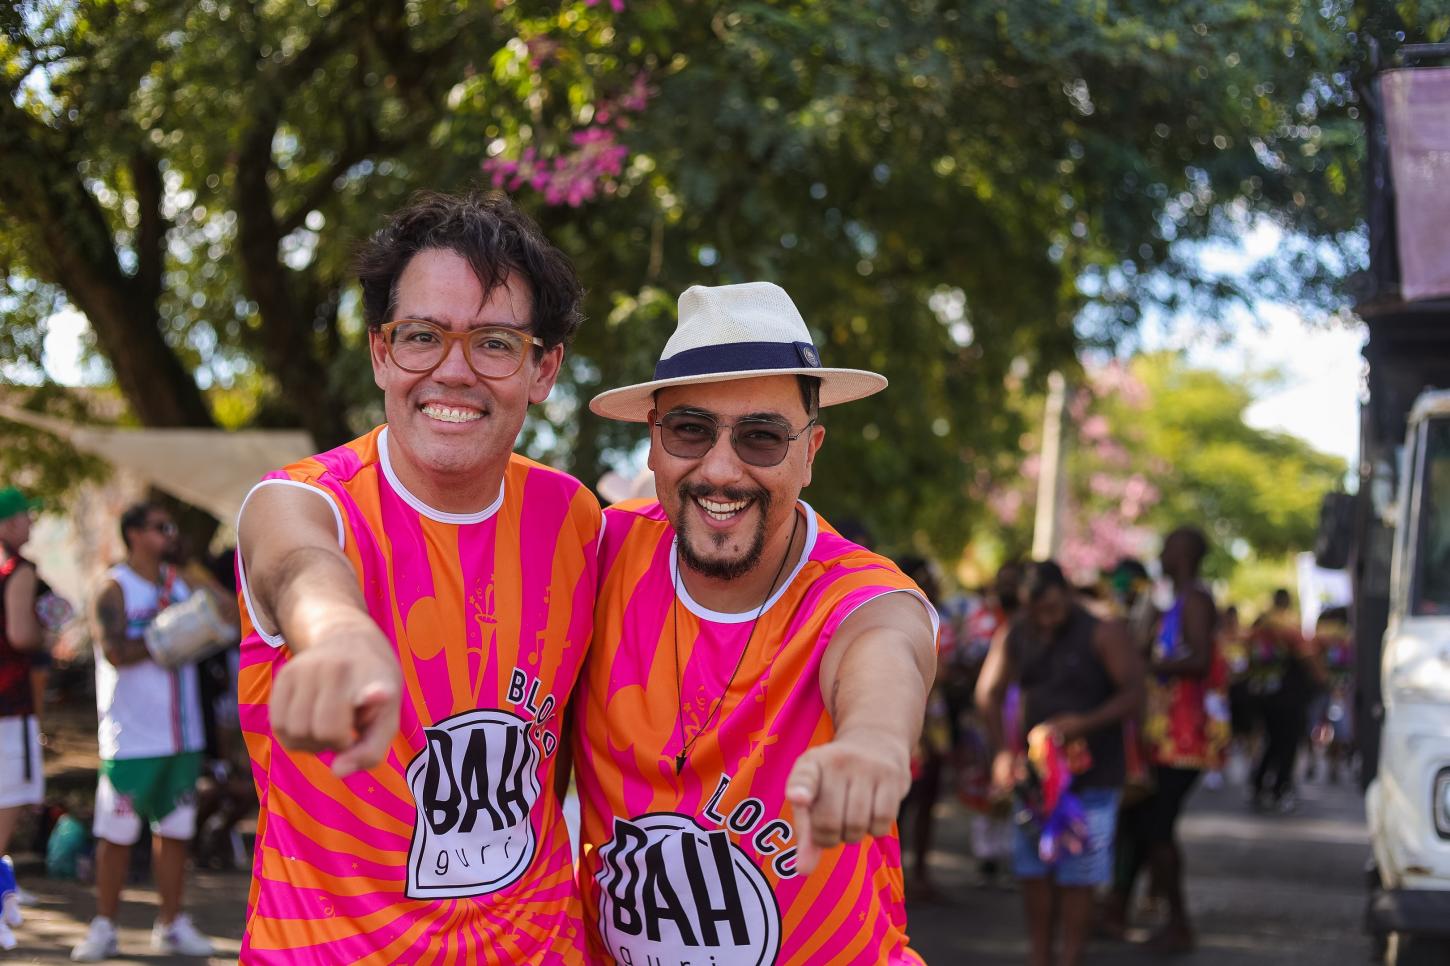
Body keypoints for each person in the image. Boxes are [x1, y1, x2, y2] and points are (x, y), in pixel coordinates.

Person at [234, 190, 600, 963]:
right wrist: (338, 637)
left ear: (543, 369)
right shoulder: (299, 502)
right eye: (422, 336)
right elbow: (297, 561)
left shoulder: (576, 519)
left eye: (495, 343)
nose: (453, 371)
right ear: (380, 354)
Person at [572, 281, 939, 964]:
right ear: (652, 443)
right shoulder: (599, 554)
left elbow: (889, 644)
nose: (719, 469)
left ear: (811, 451)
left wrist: (875, 742)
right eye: (689, 430)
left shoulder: (854, 591)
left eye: (761, 438)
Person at [71, 503, 221, 961]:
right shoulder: (114, 586)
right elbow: (113, 649)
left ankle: (172, 922)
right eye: (161, 528)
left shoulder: (181, 580)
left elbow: (231, 611)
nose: (169, 535)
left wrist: (188, 563)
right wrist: (168, 637)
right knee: (116, 834)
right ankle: (104, 925)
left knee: (175, 831)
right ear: (135, 534)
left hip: (183, 734)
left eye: (172, 528)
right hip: (131, 737)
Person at [976, 560, 1144, 966]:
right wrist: (1002, 750)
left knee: (1078, 876)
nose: (1046, 622)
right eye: (1037, 613)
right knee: (1033, 872)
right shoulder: (1017, 631)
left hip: (1093, 776)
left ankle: (1070, 958)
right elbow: (988, 693)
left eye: (1053, 609)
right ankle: (1040, 958)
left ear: (1067, 593)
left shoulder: (1103, 630)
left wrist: (1082, 724)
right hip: (1035, 777)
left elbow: (1135, 694)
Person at [1103, 527, 1224, 953]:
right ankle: (1116, 907)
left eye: (1170, 546)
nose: (1163, 553)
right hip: (1161, 736)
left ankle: (1179, 924)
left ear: (1186, 553)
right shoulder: (1172, 598)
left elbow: (1200, 659)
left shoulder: (1194, 599)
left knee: (1157, 826)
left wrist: (1146, 662)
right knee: (1140, 820)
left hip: (1183, 739)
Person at [0, 488, 43, 951]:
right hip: (10, 706)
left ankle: (5, 894)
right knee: (7, 807)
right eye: (26, 516)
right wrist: (43, 631)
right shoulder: (20, 570)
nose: (30, 524)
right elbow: (21, 632)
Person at [1248, 589, 1317, 812]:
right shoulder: (1289, 626)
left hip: (1265, 695)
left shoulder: (1261, 624)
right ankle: (1280, 787)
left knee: (1273, 741)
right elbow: (1307, 656)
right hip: (1289, 697)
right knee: (1287, 744)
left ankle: (1259, 783)